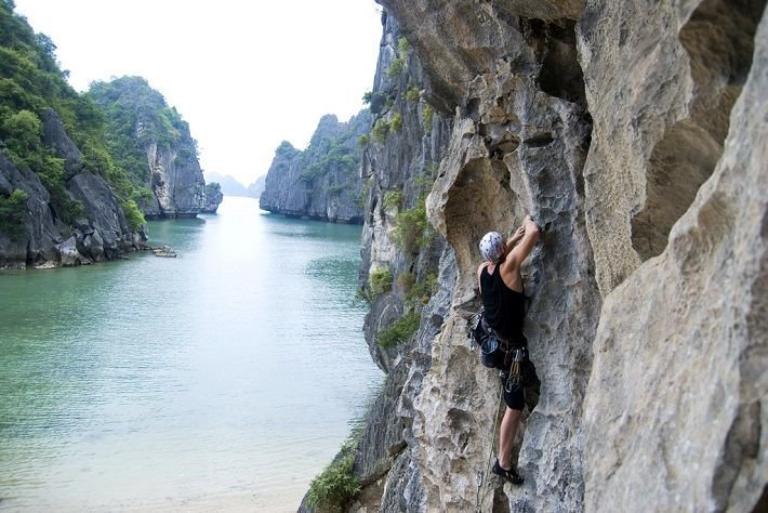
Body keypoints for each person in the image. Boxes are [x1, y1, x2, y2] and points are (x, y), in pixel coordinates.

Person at [476, 215, 540, 485]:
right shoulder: (511, 266)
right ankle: (503, 464)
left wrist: (510, 240)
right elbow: (534, 233)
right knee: (514, 405)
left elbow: (498, 259)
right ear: (504, 251)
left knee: (511, 397)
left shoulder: (482, 270)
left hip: (490, 340)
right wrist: (527, 221)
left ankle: (503, 460)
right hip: (511, 351)